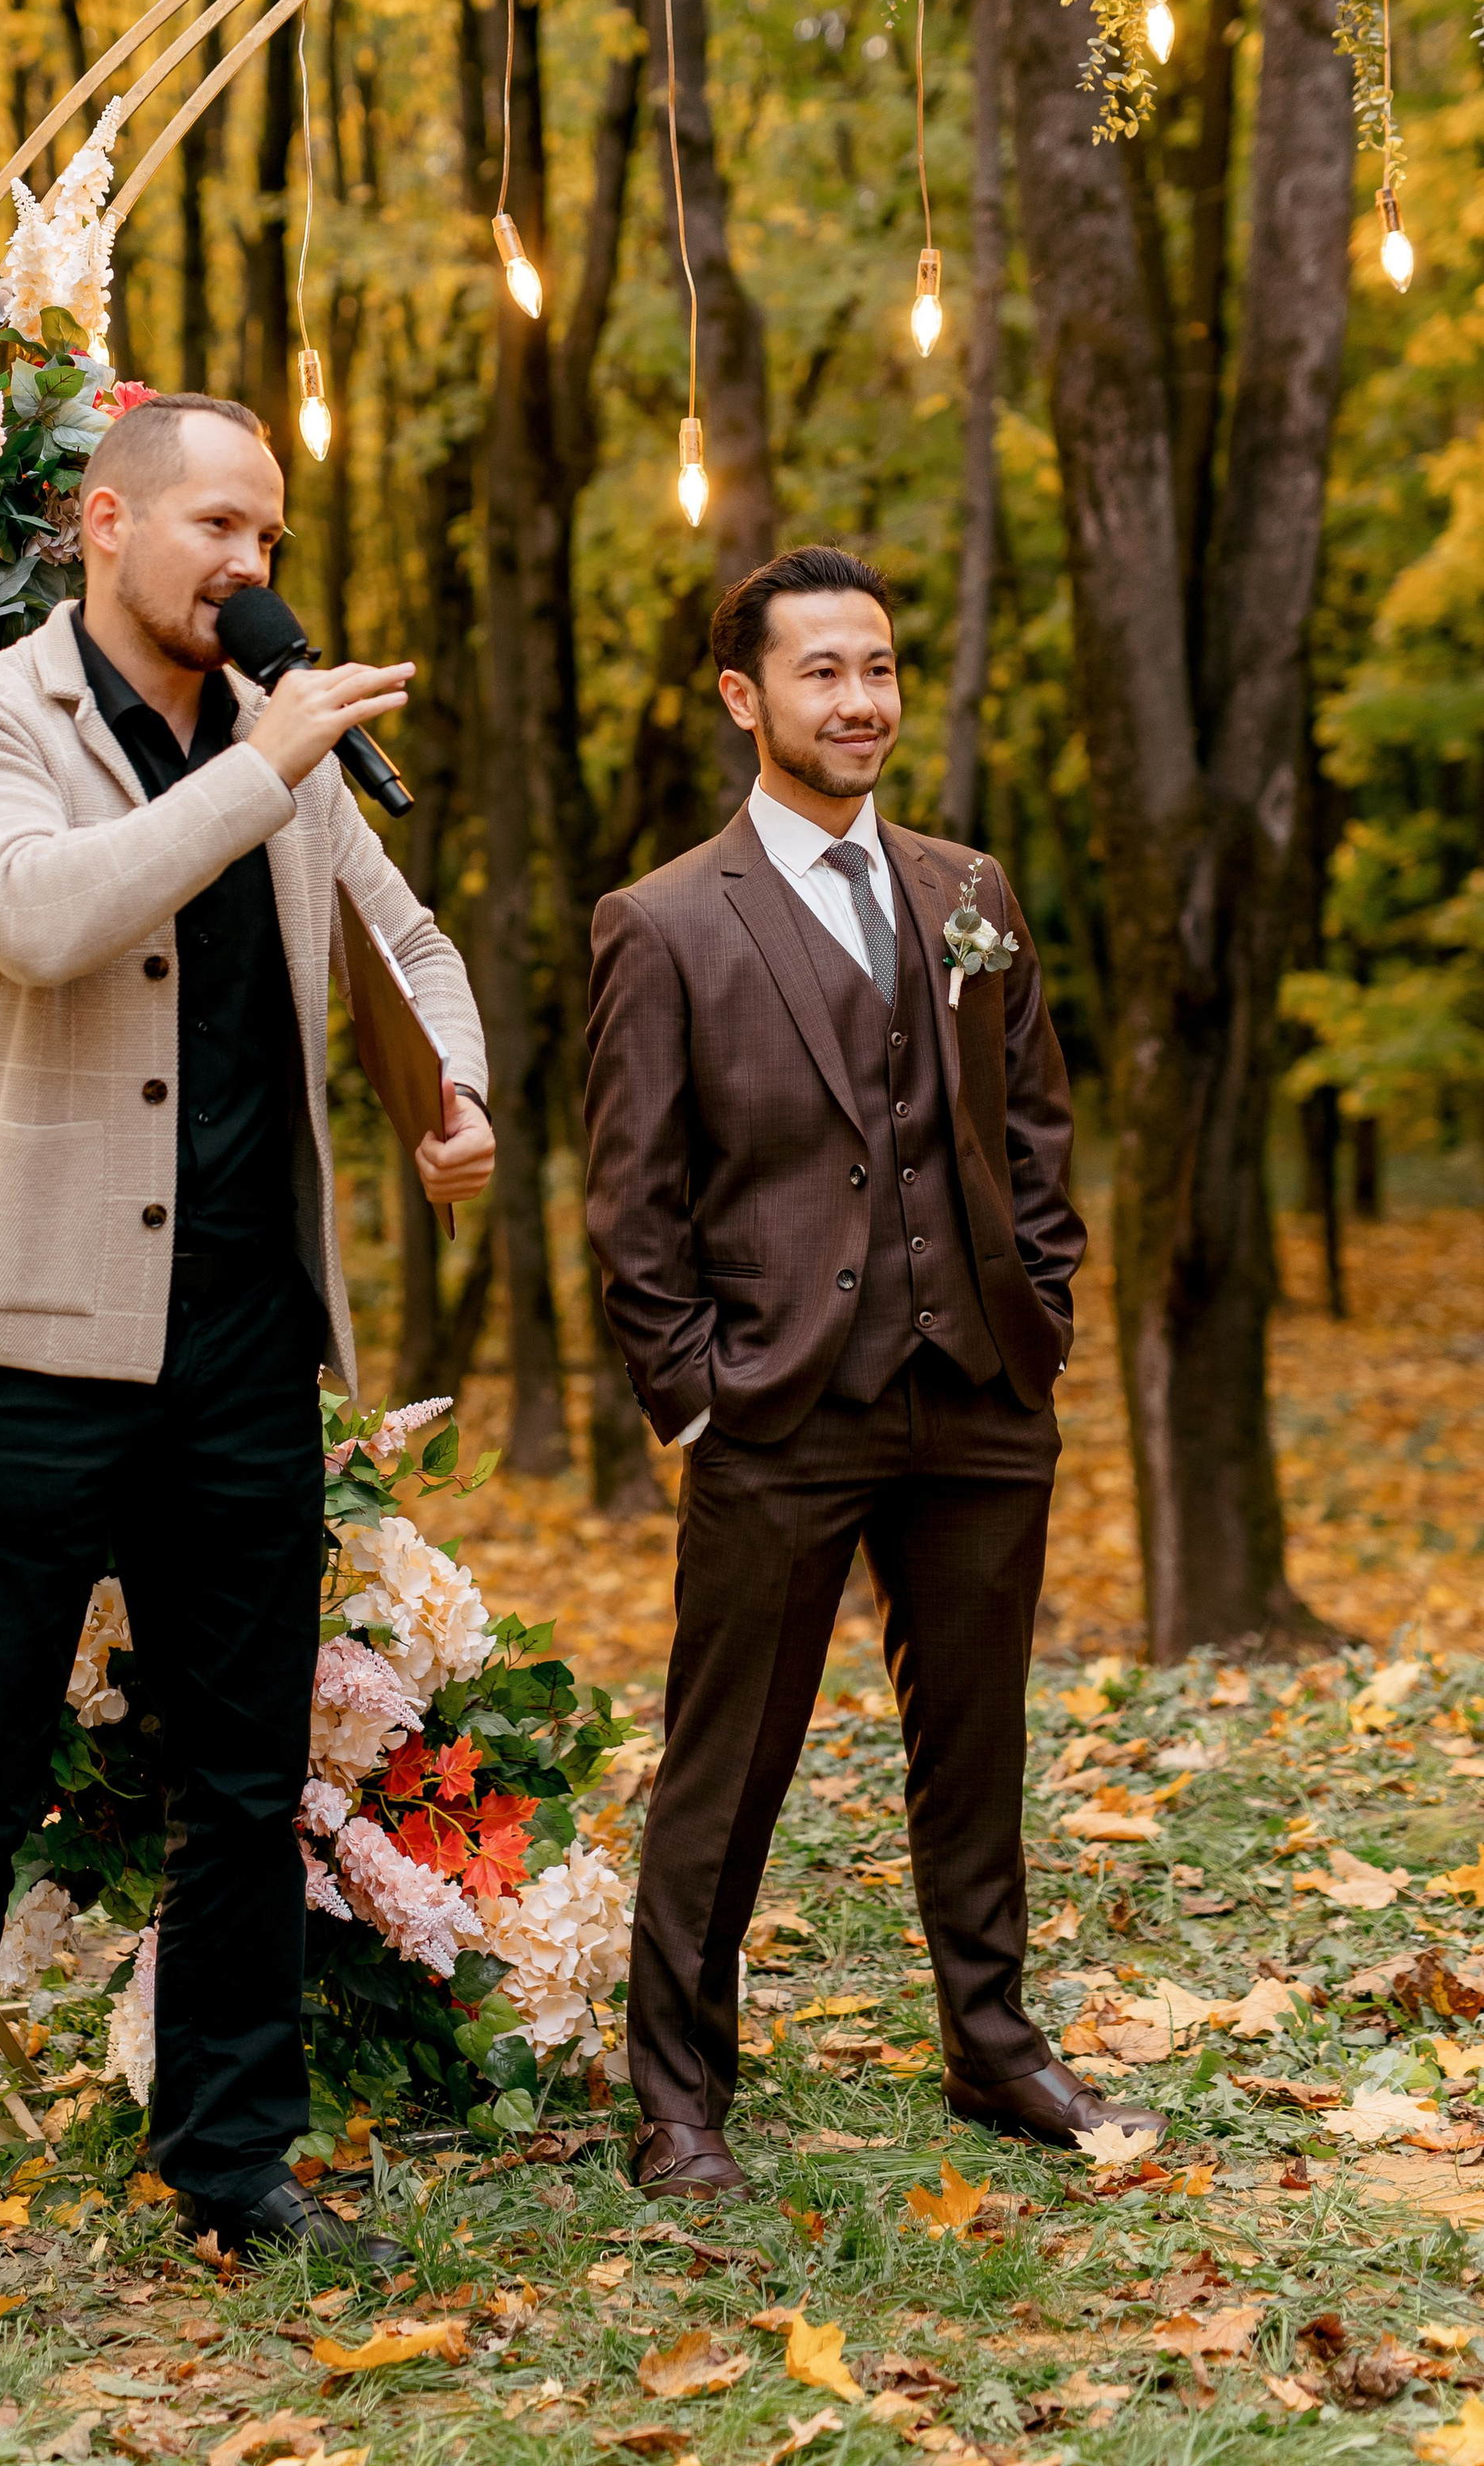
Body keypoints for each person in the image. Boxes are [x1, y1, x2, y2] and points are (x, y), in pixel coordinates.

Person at [0, 392, 494, 2358]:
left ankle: (229, 2158)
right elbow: (36, 919)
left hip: (237, 1349)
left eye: (270, 535)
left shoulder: (274, 743)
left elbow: (409, 935)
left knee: (239, 1783)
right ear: (105, 526)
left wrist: (454, 1092)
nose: (250, 565)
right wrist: (262, 769)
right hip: (21, 1341)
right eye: (217, 524)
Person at [583, 543, 1163, 2198]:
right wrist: (693, 1395)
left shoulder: (967, 891)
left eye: (880, 669)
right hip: (778, 1403)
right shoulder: (667, 923)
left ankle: (992, 2047)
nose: (859, 700)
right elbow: (632, 1200)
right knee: (729, 1753)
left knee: (973, 1737)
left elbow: (1032, 1125)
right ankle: (676, 2097)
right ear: (741, 698)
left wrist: (1034, 1312)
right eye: (822, 671)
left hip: (978, 1386)